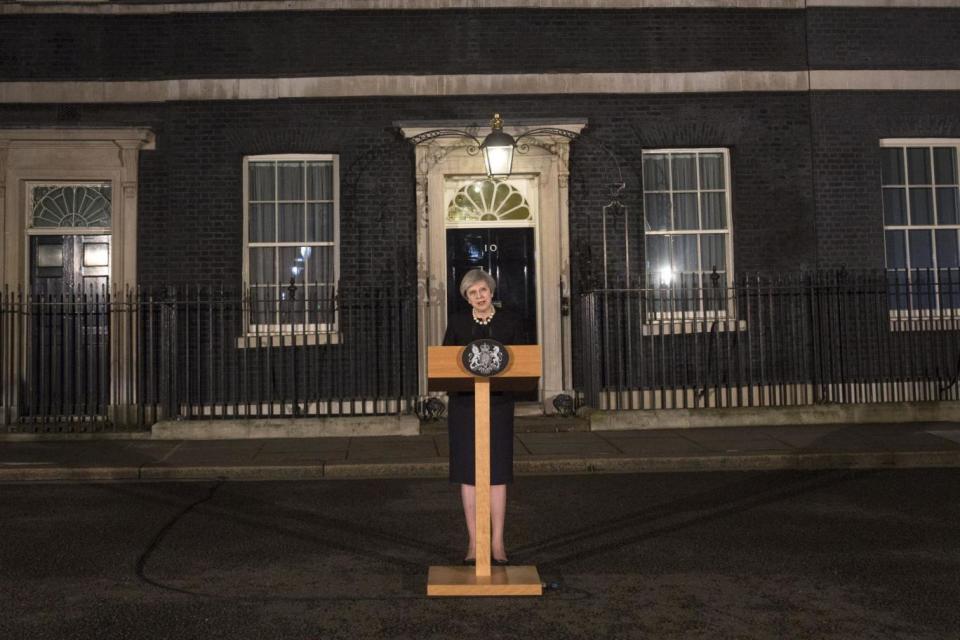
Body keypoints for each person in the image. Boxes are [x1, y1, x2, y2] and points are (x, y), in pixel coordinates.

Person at [442, 268, 529, 566]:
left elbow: (523, 363)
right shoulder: (456, 323)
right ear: (466, 298)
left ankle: (497, 543)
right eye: (472, 293)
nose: (479, 297)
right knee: (468, 473)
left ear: (491, 291)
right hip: (465, 407)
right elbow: (445, 364)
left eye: (483, 290)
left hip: (499, 406)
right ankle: (473, 543)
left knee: (497, 472)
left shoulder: (511, 321)